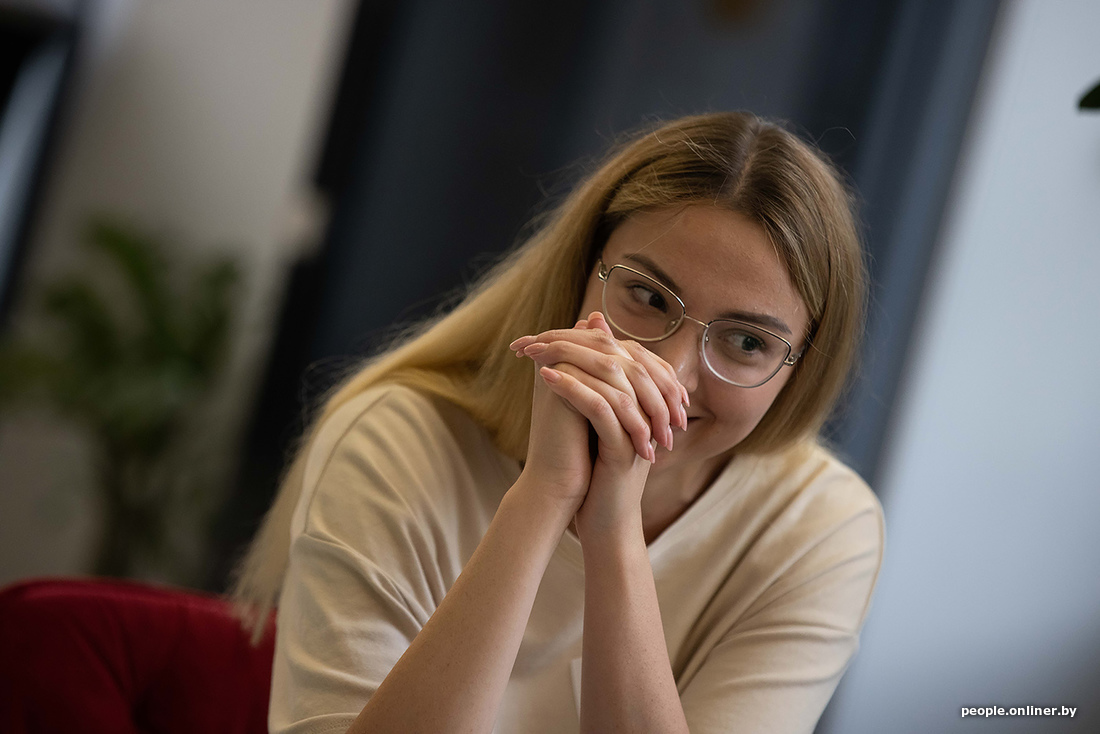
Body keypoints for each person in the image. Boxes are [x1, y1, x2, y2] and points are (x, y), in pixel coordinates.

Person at [232, 111, 884, 734]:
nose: (670, 373)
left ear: (800, 369)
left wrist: (613, 532)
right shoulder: (395, 441)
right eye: (647, 296)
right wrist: (544, 496)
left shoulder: (818, 530)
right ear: (581, 273)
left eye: (747, 342)